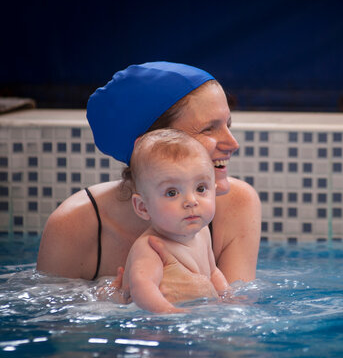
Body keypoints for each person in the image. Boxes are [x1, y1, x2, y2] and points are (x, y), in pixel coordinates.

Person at [36, 62, 261, 302]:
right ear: (150, 144)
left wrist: (203, 293)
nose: (233, 144)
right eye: (208, 129)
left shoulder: (236, 203)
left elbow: (237, 326)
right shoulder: (75, 223)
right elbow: (54, 325)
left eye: (227, 125)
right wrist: (116, 301)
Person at [122, 128, 229, 313]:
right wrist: (171, 313)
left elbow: (213, 272)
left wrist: (228, 299)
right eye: (172, 192)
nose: (191, 201)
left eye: (201, 188)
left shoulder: (202, 233)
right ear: (143, 207)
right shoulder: (150, 247)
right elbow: (142, 288)